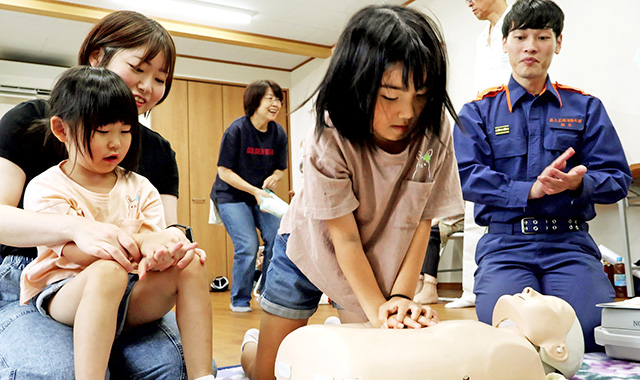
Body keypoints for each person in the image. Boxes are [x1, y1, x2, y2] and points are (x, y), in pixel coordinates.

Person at [240, 5, 464, 379]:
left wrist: (400, 301)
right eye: (390, 96)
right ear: (356, 84)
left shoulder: (433, 129)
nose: (407, 113)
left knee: (373, 361)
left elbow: (424, 221)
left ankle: (334, 336)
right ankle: (254, 344)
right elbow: (342, 239)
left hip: (378, 257)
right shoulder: (330, 135)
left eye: (421, 95)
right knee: (269, 374)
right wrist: (379, 310)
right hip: (308, 249)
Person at [0, 11, 216, 379]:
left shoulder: (155, 156)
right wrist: (76, 229)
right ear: (97, 57)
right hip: (41, 277)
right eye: (139, 68)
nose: (148, 86)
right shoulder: (30, 124)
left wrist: (171, 244)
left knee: (171, 365)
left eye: (160, 79)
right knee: (56, 371)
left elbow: (163, 228)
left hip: (132, 278)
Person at [453, 0, 632, 352]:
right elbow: (468, 178)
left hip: (569, 245)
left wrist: (579, 183)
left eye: (542, 36)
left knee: (589, 333)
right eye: (520, 36)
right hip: (505, 247)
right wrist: (529, 190)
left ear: (558, 42)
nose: (530, 46)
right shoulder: (477, 112)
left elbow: (618, 179)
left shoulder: (586, 107)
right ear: (505, 43)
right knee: (510, 336)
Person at [275, 287, 584, 380]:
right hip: (341, 357)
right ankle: (254, 345)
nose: (531, 290)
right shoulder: (493, 340)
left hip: (344, 363)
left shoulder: (519, 358)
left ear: (558, 350)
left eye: (550, 303)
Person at [448, 0, 514, 311]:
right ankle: (471, 288)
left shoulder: (517, 22)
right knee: (474, 205)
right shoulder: (481, 38)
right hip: (483, 126)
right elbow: (480, 89)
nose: (469, 2)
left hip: (512, 126)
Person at [210, 80, 288, 313]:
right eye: (269, 98)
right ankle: (240, 299)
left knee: (279, 237)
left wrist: (275, 177)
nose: (275, 104)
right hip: (232, 196)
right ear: (254, 101)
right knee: (248, 245)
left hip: (262, 196)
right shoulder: (237, 130)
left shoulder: (278, 133)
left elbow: (280, 168)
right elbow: (224, 171)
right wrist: (254, 191)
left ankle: (268, 293)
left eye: (278, 99)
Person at [413, 215, 464, 304]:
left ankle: (430, 288)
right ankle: (419, 284)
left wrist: (437, 219)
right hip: (447, 218)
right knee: (420, 231)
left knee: (431, 232)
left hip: (461, 219)